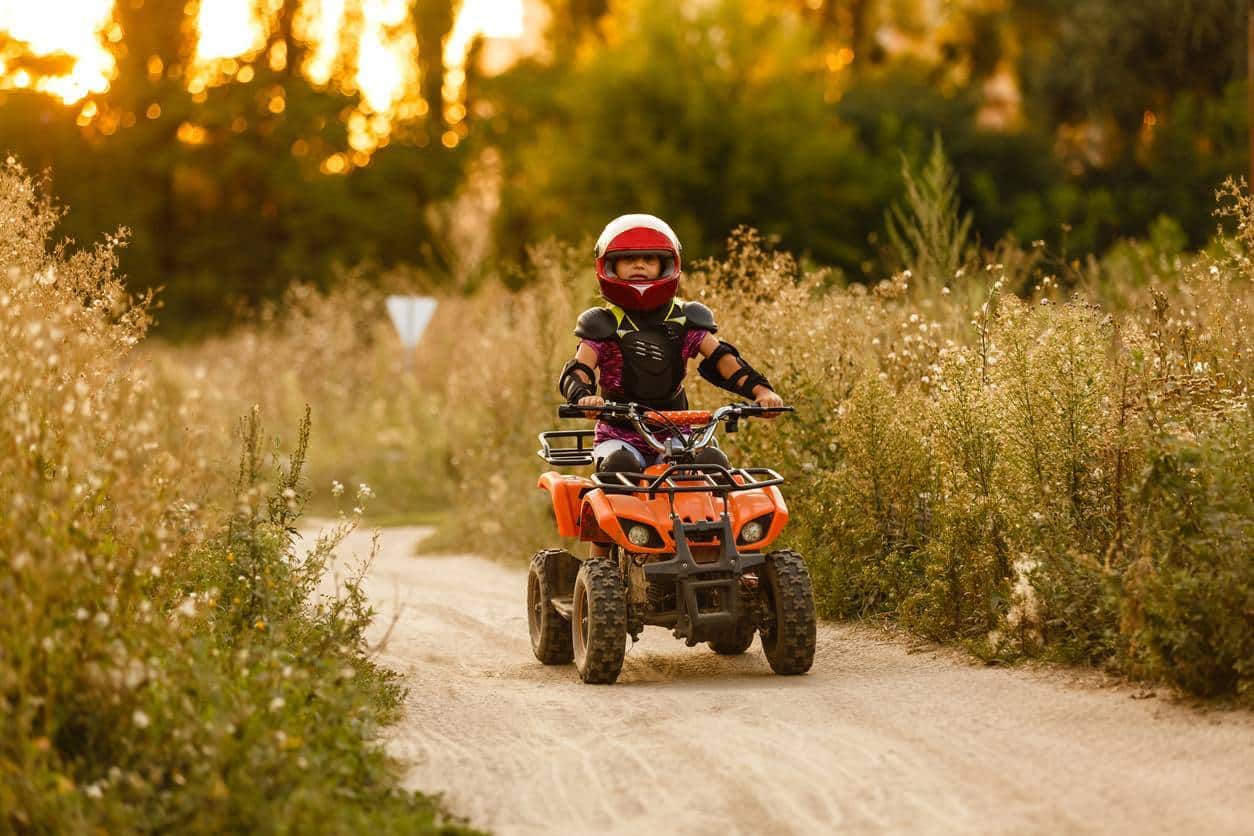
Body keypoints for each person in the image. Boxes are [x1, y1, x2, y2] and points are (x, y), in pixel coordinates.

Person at [557, 213, 784, 477]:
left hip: (678, 433)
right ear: (609, 266)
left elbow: (724, 360)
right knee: (620, 470)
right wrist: (584, 397)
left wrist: (763, 392)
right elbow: (579, 369)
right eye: (629, 259)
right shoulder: (602, 323)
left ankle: (721, 521)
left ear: (666, 264)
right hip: (618, 437)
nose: (639, 265)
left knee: (713, 466)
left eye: (649, 259)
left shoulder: (686, 319)